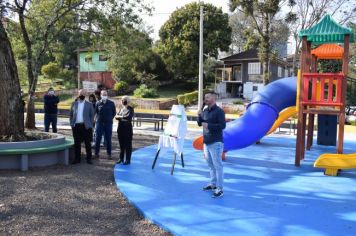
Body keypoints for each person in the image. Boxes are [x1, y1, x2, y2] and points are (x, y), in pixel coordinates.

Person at [197, 91, 226, 198]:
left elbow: (222, 126)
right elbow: (200, 123)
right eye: (205, 97)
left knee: (218, 166)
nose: (205, 99)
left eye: (208, 97)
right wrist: (199, 115)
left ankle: (220, 189)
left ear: (214, 98)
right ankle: (213, 184)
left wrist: (208, 125)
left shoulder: (219, 112)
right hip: (207, 142)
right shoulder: (205, 110)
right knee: (210, 165)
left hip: (216, 142)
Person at [69, 89, 94, 164]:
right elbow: (70, 115)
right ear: (78, 94)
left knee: (87, 143)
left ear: (86, 95)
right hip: (76, 126)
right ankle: (77, 158)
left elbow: (92, 116)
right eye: (80, 93)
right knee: (77, 143)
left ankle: (89, 158)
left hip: (86, 126)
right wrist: (71, 124)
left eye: (83, 93)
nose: (82, 95)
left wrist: (90, 124)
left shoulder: (89, 104)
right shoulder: (74, 104)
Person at [94, 90, 116, 160]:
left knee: (108, 139)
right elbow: (96, 112)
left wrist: (109, 119)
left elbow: (114, 113)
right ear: (100, 95)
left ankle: (109, 154)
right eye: (103, 94)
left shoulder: (111, 103)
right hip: (99, 123)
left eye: (105, 94)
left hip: (108, 124)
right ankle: (96, 154)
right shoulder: (98, 103)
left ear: (107, 95)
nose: (104, 96)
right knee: (97, 139)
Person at [115, 96, 134, 165]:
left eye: (124, 100)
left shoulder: (130, 109)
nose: (123, 101)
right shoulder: (121, 109)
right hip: (120, 129)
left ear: (128, 101)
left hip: (127, 129)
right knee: (121, 145)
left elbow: (128, 117)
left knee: (128, 145)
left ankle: (128, 159)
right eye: (122, 100)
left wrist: (121, 117)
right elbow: (116, 117)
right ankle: (121, 158)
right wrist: (121, 118)